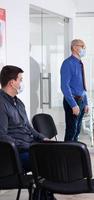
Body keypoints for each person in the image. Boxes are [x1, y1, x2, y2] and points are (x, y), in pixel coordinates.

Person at [0, 65, 55, 199]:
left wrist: (42, 139)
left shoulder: (18, 103)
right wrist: (29, 146)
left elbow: (28, 128)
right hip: (15, 154)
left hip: (29, 147)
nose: (22, 83)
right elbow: (2, 136)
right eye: (20, 79)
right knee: (45, 160)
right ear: (12, 83)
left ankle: (42, 197)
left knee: (53, 154)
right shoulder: (1, 104)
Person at [60, 39, 89, 142]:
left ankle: (74, 154)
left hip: (81, 101)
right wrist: (73, 104)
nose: (84, 49)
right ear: (75, 47)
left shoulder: (80, 63)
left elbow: (82, 86)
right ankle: (66, 155)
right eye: (83, 46)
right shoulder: (68, 63)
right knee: (71, 130)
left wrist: (86, 103)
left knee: (77, 130)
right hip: (72, 101)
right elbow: (64, 86)